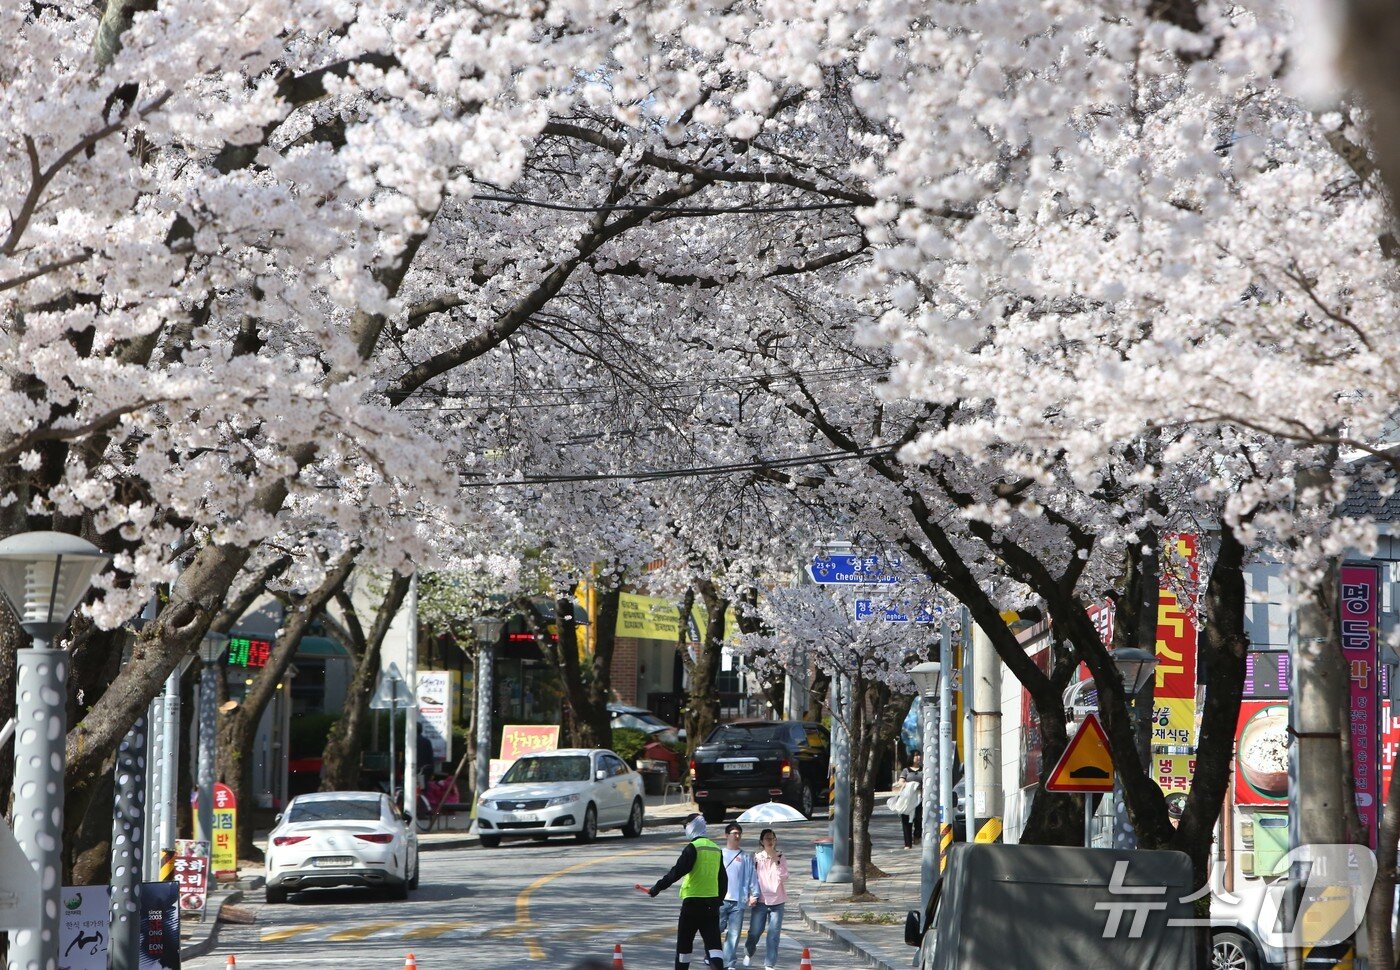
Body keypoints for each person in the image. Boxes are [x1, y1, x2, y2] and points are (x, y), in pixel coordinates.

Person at [637, 813, 727, 970]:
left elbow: (676, 872)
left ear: (692, 826)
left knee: (684, 946)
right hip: (711, 905)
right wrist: (718, 901)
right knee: (714, 947)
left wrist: (656, 888)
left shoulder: (693, 848)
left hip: (692, 904)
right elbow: (723, 880)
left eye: (686, 826)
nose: (685, 829)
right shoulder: (715, 849)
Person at [743, 828, 788, 970]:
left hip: (777, 901)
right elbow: (751, 879)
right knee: (755, 931)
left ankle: (769, 964)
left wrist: (776, 862)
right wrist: (750, 895)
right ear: (762, 841)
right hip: (760, 900)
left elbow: (784, 877)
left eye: (773, 838)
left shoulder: (780, 857)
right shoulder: (756, 858)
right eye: (767, 838)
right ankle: (748, 953)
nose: (770, 841)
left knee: (774, 934)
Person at [719, 822, 756, 970]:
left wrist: (754, 894)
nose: (737, 836)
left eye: (739, 833)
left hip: (737, 902)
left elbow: (752, 876)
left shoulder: (745, 857)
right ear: (726, 835)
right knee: (716, 930)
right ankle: (711, 953)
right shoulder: (719, 854)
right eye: (734, 833)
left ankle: (729, 963)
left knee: (734, 934)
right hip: (720, 900)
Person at [898, 751, 923, 849]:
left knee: (918, 818)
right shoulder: (906, 770)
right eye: (916, 755)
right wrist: (904, 784)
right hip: (908, 798)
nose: (918, 757)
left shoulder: (923, 770)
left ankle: (917, 835)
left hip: (919, 797)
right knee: (906, 820)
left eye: (919, 755)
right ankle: (907, 844)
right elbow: (901, 781)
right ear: (911, 757)